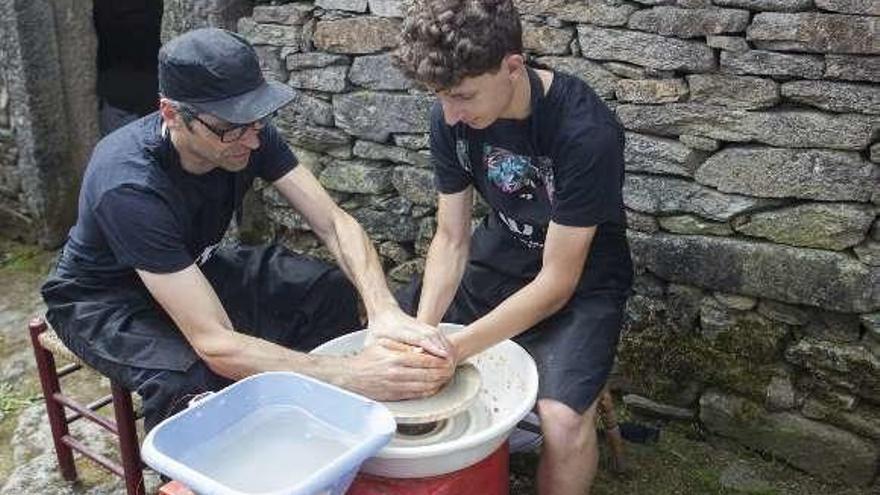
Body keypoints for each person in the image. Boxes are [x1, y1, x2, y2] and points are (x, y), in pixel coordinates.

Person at [41, 28, 454, 432]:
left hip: (191, 269)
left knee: (324, 290)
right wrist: (348, 372)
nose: (251, 141)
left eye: (255, 120)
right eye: (231, 127)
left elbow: (333, 222)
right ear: (171, 114)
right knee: (192, 387)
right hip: (106, 299)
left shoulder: (245, 132)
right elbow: (216, 345)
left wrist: (383, 308)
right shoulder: (128, 185)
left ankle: (321, 423)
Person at [393, 1, 633, 493]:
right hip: (498, 254)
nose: (451, 114)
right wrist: (424, 332)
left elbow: (555, 284)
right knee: (389, 342)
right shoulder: (451, 119)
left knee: (562, 421)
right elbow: (452, 237)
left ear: (513, 67)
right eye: (440, 97)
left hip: (583, 279)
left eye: (462, 96)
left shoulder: (585, 133)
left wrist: (452, 350)